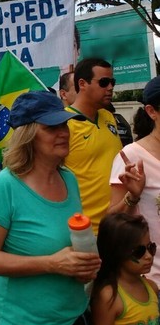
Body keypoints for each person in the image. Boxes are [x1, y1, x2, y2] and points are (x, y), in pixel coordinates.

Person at [0, 91, 101, 325]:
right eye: (52, 127)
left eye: (64, 124)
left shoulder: (69, 178)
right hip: (23, 322)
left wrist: (82, 262)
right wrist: (51, 264)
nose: (64, 132)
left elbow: (66, 241)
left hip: (75, 315)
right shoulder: (4, 186)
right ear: (28, 134)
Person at [108, 75, 160, 284]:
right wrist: (133, 196)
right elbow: (112, 222)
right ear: (151, 111)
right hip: (152, 281)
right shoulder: (132, 157)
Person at [64, 58, 122, 233]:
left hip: (119, 225)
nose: (110, 87)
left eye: (112, 82)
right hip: (87, 231)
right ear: (82, 84)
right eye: (104, 82)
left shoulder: (108, 117)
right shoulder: (63, 125)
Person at [92, 213, 159, 325]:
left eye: (150, 247)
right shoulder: (109, 297)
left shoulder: (152, 287)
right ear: (117, 253)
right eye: (139, 251)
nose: (148, 256)